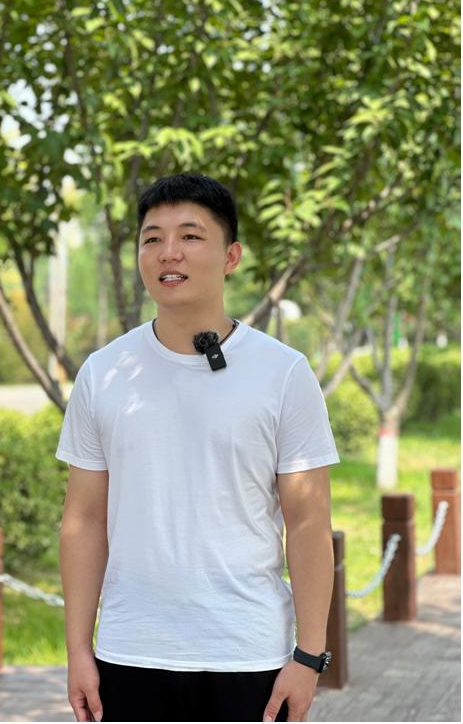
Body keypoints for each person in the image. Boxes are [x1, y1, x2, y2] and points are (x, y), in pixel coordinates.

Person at [57, 172, 340, 723]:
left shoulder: (283, 372)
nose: (169, 252)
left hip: (249, 655)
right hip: (130, 653)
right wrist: (77, 651)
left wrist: (308, 657)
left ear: (231, 256)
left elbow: (308, 520)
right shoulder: (103, 373)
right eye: (152, 238)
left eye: (190, 236)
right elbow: (83, 519)